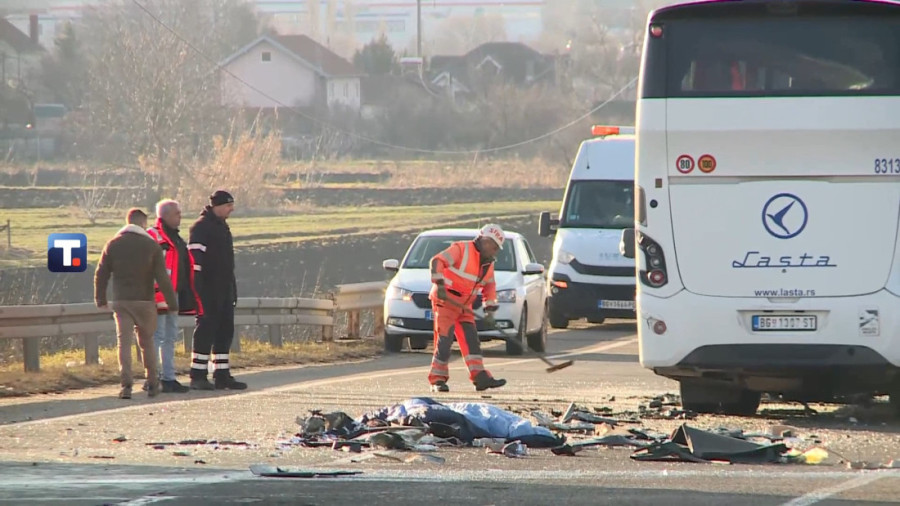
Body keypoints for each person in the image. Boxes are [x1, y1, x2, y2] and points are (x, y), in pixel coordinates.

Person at [94, 208, 178, 399]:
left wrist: (101, 299)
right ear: (143, 223)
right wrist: (172, 303)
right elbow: (162, 277)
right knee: (147, 343)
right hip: (145, 302)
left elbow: (101, 273)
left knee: (123, 343)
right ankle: (153, 383)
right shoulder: (151, 246)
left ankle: (126, 386)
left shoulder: (113, 244)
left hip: (122, 302)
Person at [427, 224, 508, 393]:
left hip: (464, 306)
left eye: (496, 249)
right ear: (485, 241)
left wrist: (490, 311)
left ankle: (480, 377)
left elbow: (490, 287)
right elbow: (437, 261)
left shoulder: (488, 263)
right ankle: (437, 379)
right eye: (494, 247)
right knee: (444, 340)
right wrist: (439, 285)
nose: (495, 252)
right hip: (446, 301)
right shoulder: (461, 249)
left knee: (471, 341)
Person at [187, 190, 246, 390]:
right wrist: (198, 291)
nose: (232, 209)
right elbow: (194, 263)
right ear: (217, 206)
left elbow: (227, 265)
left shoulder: (222, 227)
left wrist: (232, 289)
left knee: (224, 331)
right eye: (228, 205)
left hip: (224, 289)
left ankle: (222, 374)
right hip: (208, 290)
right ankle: (198, 375)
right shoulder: (201, 227)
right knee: (206, 330)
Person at [144, 199, 203, 394]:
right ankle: (153, 378)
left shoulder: (175, 238)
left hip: (174, 294)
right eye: (177, 213)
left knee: (170, 337)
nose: (180, 217)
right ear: (166, 215)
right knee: (158, 336)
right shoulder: (154, 236)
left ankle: (168, 378)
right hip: (159, 294)